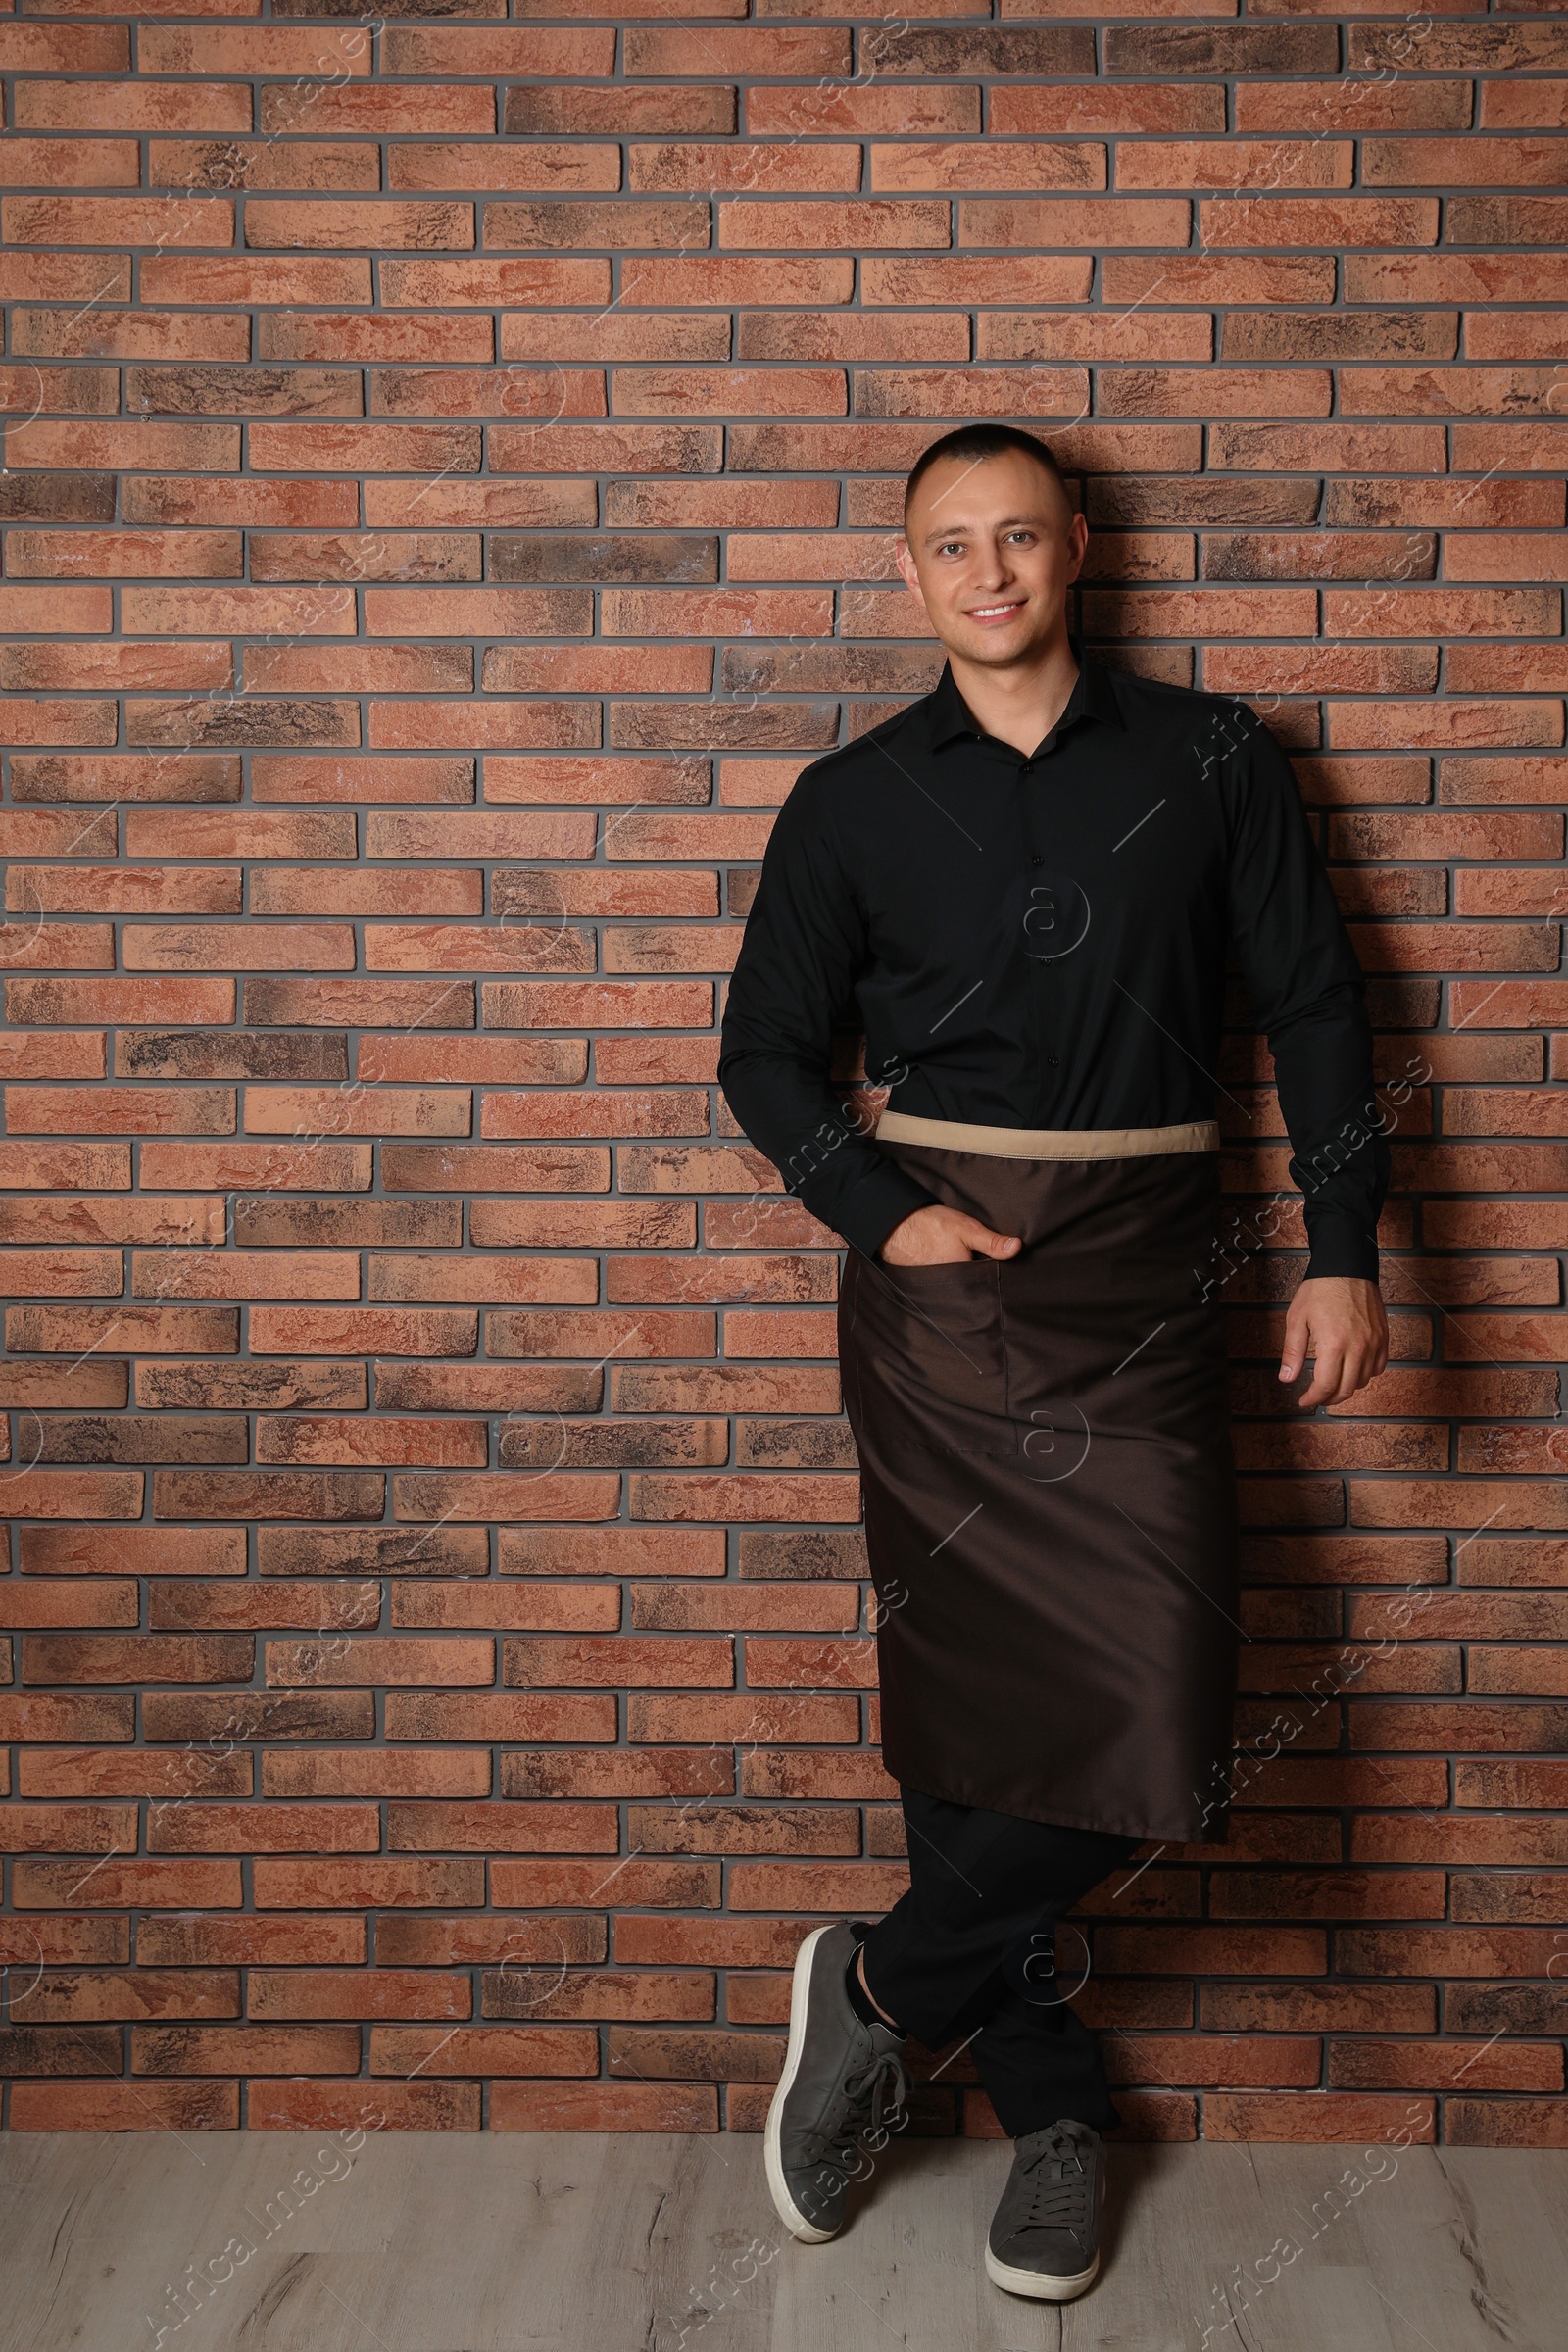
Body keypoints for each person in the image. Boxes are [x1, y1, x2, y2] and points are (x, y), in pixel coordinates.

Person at [717, 422, 1391, 2301]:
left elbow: (1323, 1007)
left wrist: (1344, 1252)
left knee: (1156, 1700)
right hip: (946, 1298)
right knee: (971, 1725)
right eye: (952, 546)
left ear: (1076, 547)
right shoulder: (850, 800)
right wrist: (881, 1211)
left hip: (1158, 1279)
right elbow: (763, 1053)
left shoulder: (1215, 760)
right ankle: (1059, 2122)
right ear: (911, 575)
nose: (990, 572)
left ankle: (875, 1990)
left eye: (1019, 536)